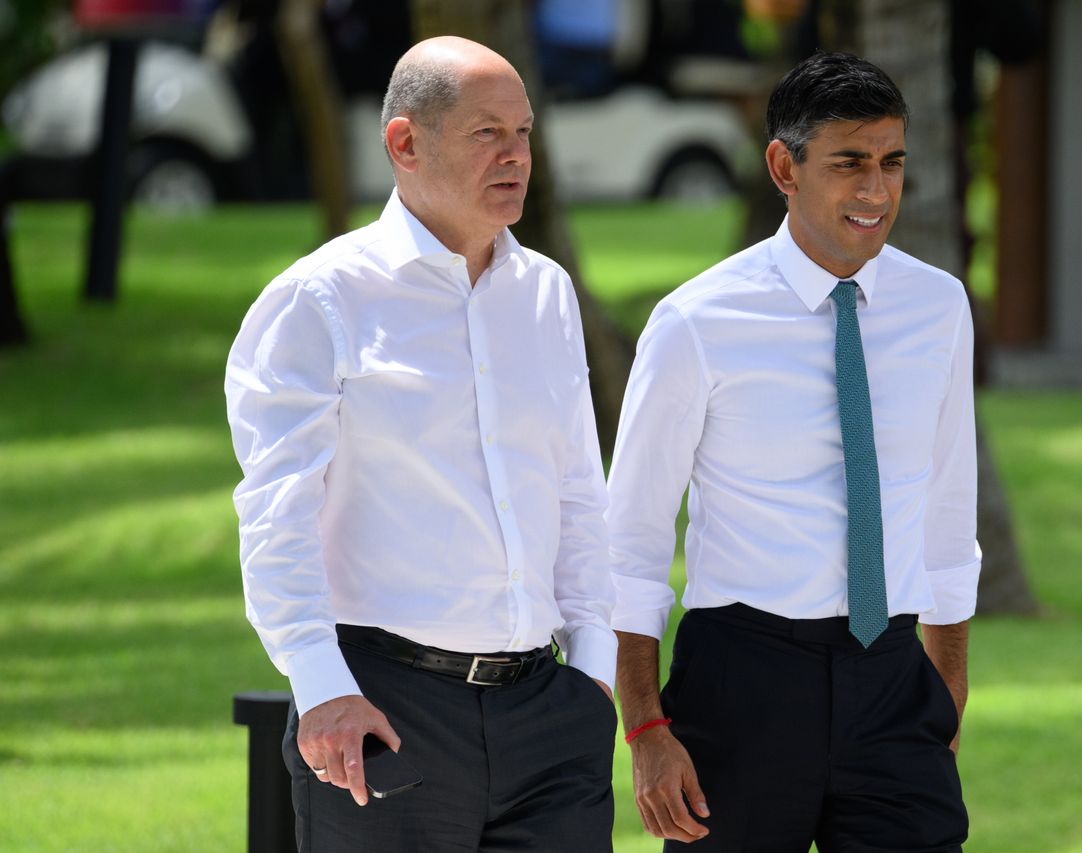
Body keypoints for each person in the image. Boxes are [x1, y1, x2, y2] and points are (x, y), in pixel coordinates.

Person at [226, 36, 617, 852]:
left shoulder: (546, 291)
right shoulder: (318, 299)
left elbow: (578, 487)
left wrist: (594, 672)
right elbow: (276, 510)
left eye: (524, 132)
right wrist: (321, 684)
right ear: (405, 142)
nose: (516, 155)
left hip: (550, 714)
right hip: (383, 712)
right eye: (487, 134)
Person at [608, 51, 980, 852]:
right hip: (742, 680)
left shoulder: (939, 307)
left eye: (891, 162)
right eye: (849, 163)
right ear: (784, 165)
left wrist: (945, 691)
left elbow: (949, 515)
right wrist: (645, 730)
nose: (876, 192)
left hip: (892, 678)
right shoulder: (694, 323)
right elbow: (630, 547)